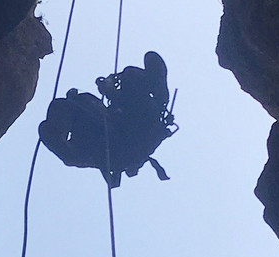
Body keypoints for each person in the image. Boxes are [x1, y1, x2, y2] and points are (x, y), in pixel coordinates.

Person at [38, 51, 176, 187]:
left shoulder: (145, 108)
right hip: (110, 141)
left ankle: (64, 143)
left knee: (71, 149)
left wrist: (110, 91)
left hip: (120, 143)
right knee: (65, 106)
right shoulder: (122, 109)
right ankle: (62, 139)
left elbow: (131, 113)